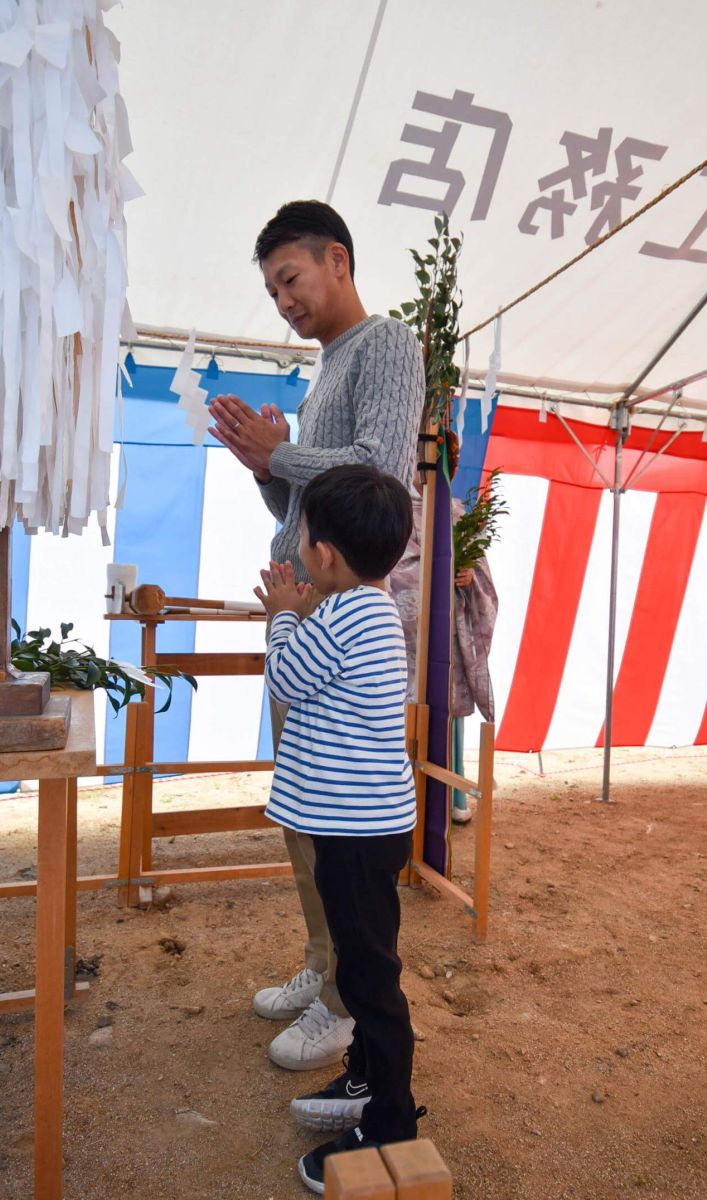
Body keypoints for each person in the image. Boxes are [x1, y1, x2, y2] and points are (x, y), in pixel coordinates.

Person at [209, 200, 424, 1071]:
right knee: (303, 806)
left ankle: (341, 1001)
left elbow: (381, 474)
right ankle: (321, 963)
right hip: (305, 600)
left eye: (289, 279)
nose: (283, 301)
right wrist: (270, 473)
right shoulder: (325, 367)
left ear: (336, 259)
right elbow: (310, 502)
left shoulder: (387, 345)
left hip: (342, 610)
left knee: (335, 815)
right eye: (270, 291)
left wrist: (280, 455)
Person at [253, 465, 425, 1194]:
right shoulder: (364, 607)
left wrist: (281, 616)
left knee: (369, 977)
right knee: (360, 967)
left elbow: (285, 680)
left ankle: (389, 1117)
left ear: (323, 555)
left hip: (356, 834)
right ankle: (362, 1082)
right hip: (359, 827)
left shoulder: (347, 614)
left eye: (304, 541)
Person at [390, 486, 498, 821]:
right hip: (410, 637)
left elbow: (479, 571)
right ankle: (412, 802)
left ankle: (454, 799)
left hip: (448, 625)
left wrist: (468, 576)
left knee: (450, 714)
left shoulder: (455, 510)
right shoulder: (395, 507)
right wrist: (433, 573)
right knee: (410, 713)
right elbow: (395, 569)